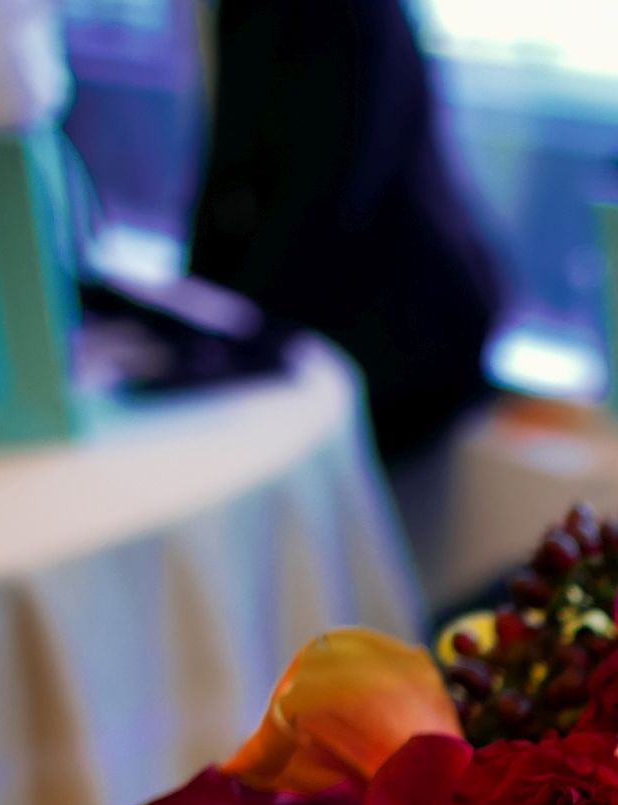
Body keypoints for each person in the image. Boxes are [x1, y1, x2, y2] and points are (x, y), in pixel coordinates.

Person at [189, 0, 501, 464]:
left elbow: (321, 195)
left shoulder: (334, 15)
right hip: (342, 301)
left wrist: (220, 336)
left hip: (398, 321)